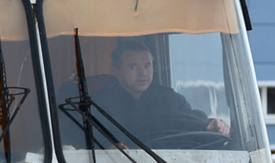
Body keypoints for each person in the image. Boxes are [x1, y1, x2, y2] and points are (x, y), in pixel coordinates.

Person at [90, 38, 230, 144]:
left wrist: (209, 126)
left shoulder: (169, 99)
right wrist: (109, 147)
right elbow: (85, 135)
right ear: (117, 71)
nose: (143, 74)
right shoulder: (100, 103)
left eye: (147, 66)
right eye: (133, 67)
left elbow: (188, 121)